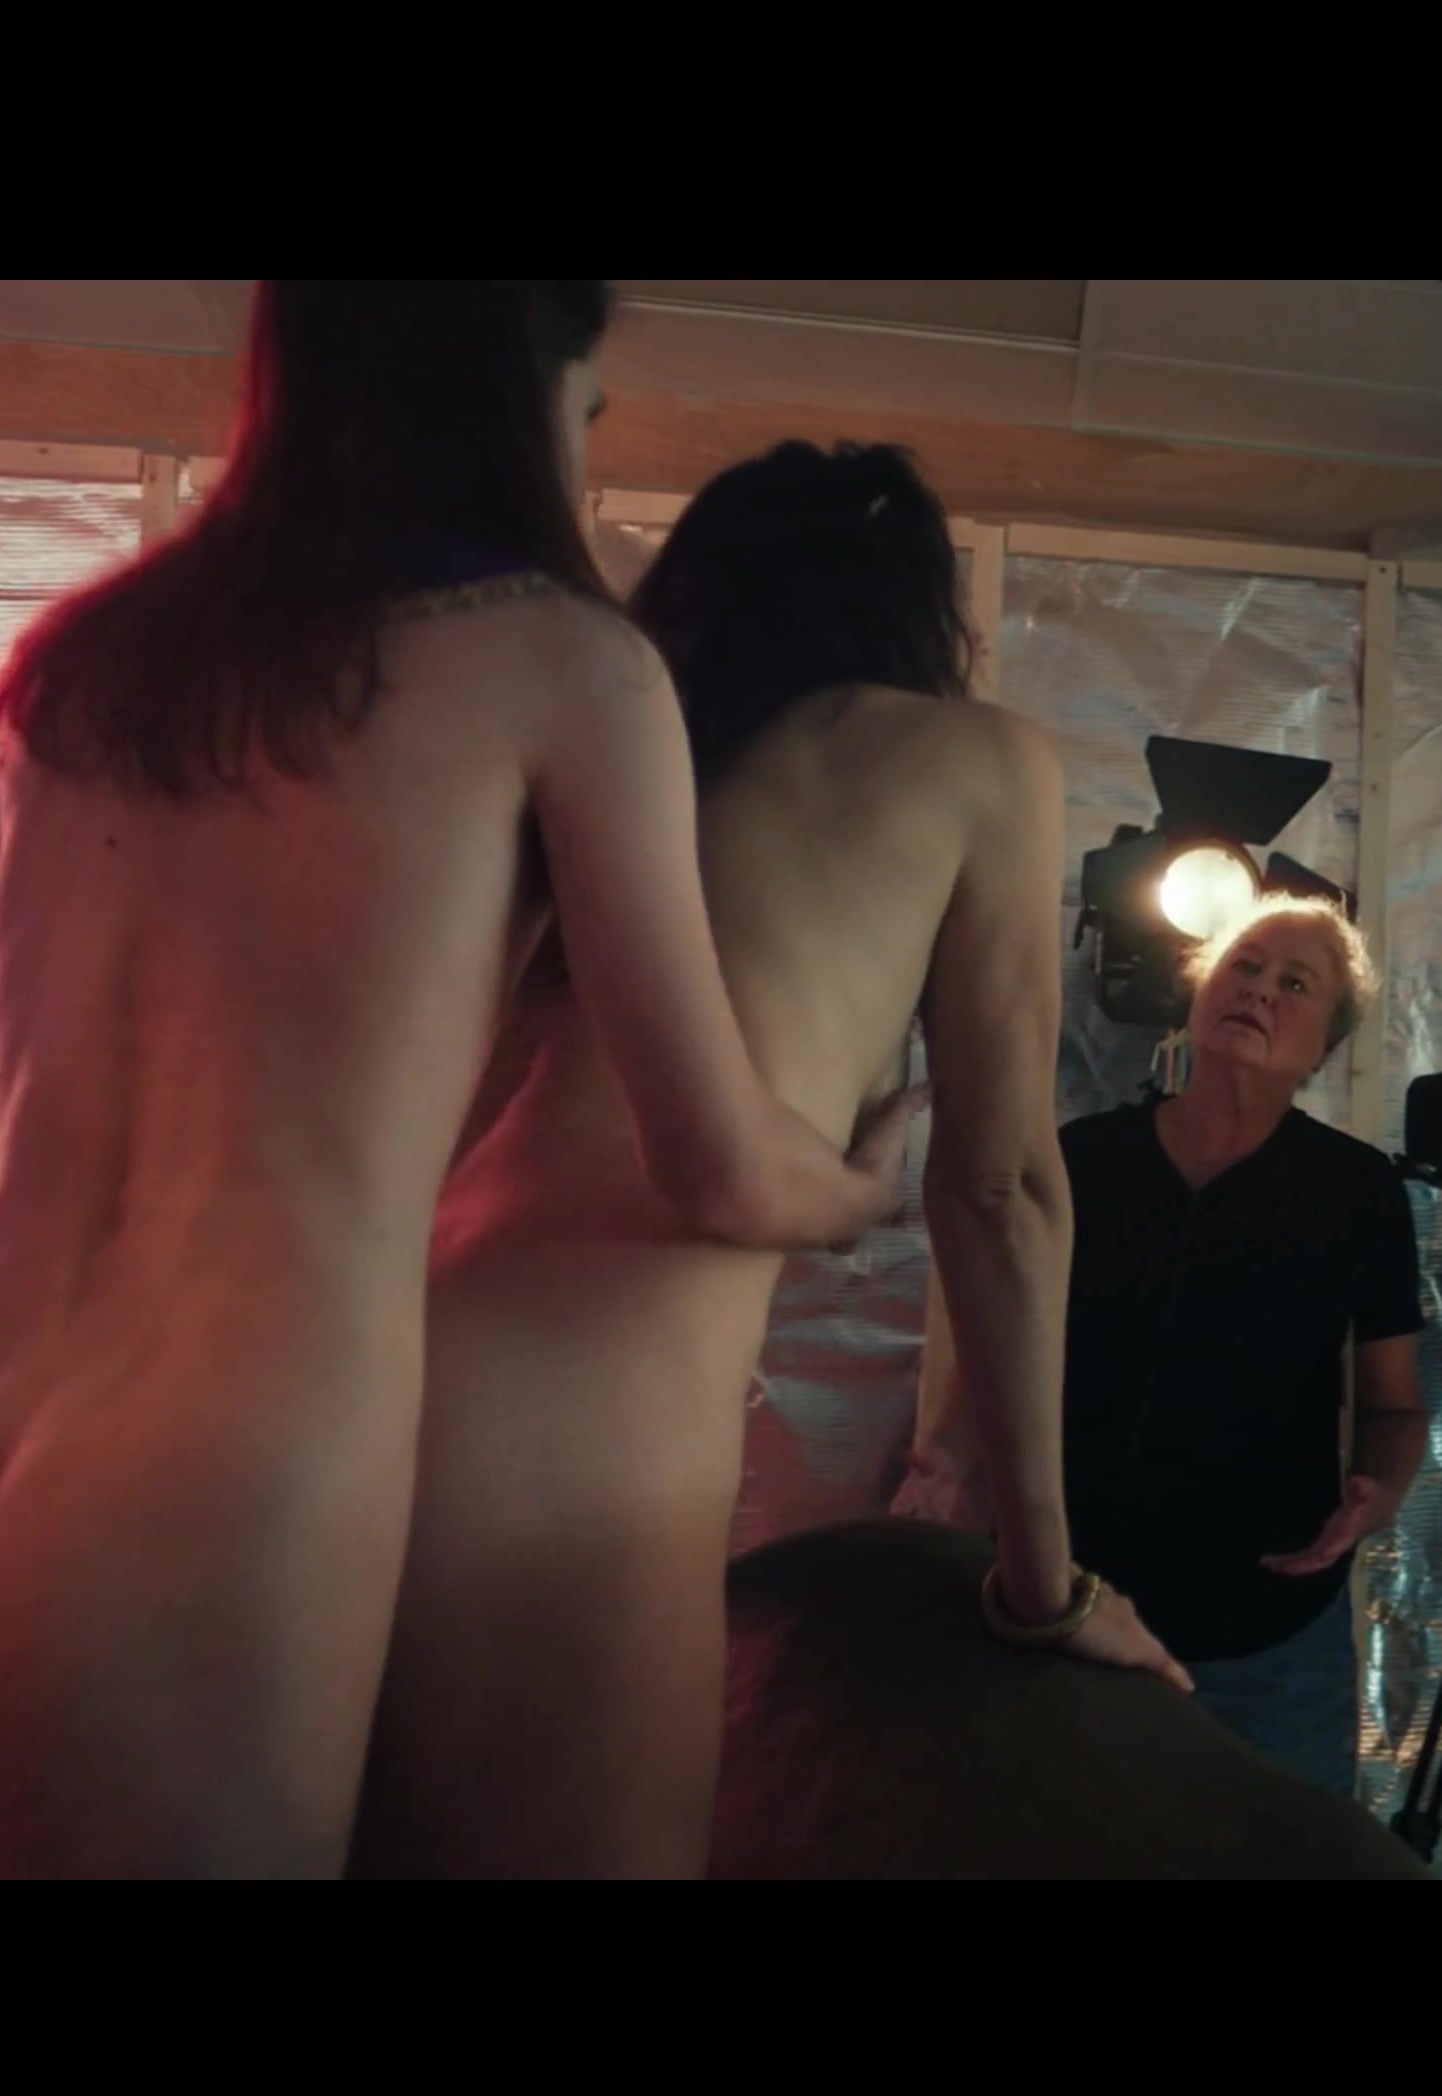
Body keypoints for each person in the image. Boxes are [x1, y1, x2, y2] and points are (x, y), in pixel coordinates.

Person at [0, 284, 909, 1880]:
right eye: (587, 406)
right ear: (523, 387)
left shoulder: (85, 664)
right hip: (200, 1500)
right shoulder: (565, 665)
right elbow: (717, 1166)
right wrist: (864, 1178)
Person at [347, 441, 1180, 1879]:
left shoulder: (620, 763)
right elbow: (1001, 1191)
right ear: (919, 611)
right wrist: (1044, 1584)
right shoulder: (971, 759)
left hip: (361, 1376)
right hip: (578, 1436)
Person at [902, 895, 1428, 1801]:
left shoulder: (1356, 1191)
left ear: (1323, 1046)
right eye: (1244, 967)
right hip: (1069, 1606)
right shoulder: (1083, 1162)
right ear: (1197, 992)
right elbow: (1000, 1343)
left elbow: (1395, 1404)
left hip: (1267, 1635)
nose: (1258, 991)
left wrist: (1377, 1491)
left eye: (1294, 985)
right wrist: (946, 1470)